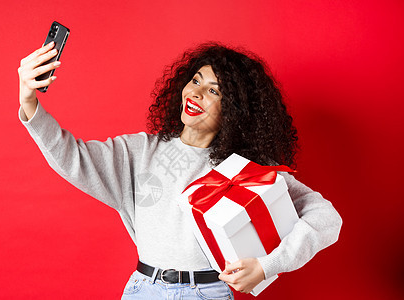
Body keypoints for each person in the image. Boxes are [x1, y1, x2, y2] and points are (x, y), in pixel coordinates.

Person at [18, 41, 342, 299]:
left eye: (214, 90)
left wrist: (268, 265)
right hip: (142, 290)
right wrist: (29, 100)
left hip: (206, 293)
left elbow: (326, 219)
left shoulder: (247, 170)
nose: (196, 92)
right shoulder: (140, 152)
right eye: (196, 80)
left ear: (235, 111)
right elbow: (72, 157)